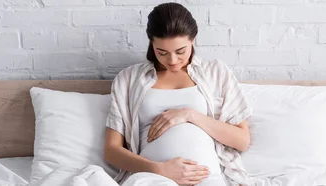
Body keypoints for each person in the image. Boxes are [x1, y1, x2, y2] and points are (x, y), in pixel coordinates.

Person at [103, 2, 254, 186]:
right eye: (162, 52)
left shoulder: (216, 72)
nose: (172, 60)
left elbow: (242, 140)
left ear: (193, 40)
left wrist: (189, 115)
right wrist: (158, 169)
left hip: (207, 178)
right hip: (151, 178)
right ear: (152, 44)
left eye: (180, 51)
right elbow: (111, 150)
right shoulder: (129, 78)